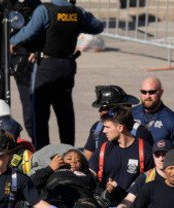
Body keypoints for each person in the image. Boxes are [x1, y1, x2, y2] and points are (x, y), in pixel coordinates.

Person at [9, 0, 104, 150]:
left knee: (39, 115)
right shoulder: (77, 12)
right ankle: (68, 151)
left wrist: (13, 41)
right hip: (67, 66)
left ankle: (42, 153)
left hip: (46, 67)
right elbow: (98, 26)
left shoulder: (45, 10)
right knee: (65, 112)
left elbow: (29, 32)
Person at [131, 77, 174, 177]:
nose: (147, 96)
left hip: (158, 176)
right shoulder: (131, 114)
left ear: (161, 92)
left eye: (151, 92)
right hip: (132, 171)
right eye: (144, 92)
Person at [83, 85, 154, 161]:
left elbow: (150, 162)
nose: (100, 111)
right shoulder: (97, 128)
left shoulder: (140, 132)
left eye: (103, 108)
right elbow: (87, 157)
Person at [7, 0, 41, 140]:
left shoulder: (37, 5)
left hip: (25, 56)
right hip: (3, 54)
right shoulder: (4, 3)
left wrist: (38, 49)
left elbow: (42, 28)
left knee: (29, 105)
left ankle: (38, 143)